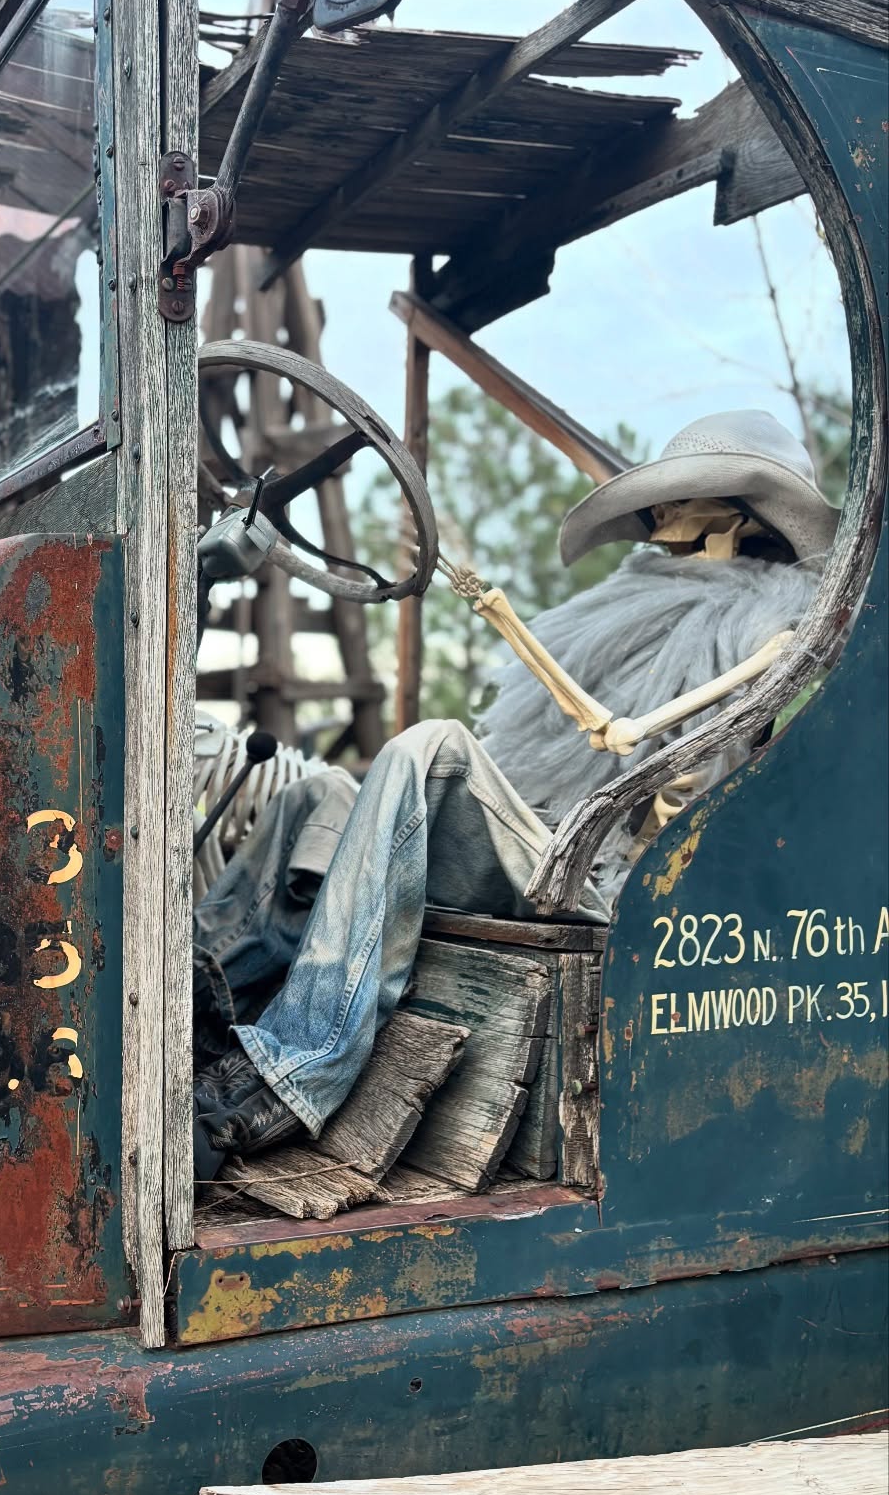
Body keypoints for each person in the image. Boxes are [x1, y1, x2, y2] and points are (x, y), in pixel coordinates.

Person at [192, 411, 840, 1180]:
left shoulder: (763, 626)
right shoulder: (632, 602)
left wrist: (644, 776)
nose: (660, 508)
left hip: (600, 874)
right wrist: (498, 613)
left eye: (686, 492)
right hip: (540, 830)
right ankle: (198, 1001)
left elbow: (659, 752)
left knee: (432, 750)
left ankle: (295, 1071)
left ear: (741, 512)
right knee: (322, 795)